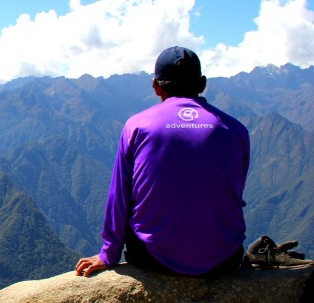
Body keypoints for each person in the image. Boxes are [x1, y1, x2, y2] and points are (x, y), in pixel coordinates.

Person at [75, 46, 250, 277]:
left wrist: (109, 253)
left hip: (153, 258)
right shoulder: (235, 130)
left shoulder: (138, 126)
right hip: (224, 259)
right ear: (202, 84)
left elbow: (119, 196)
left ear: (155, 86)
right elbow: (234, 189)